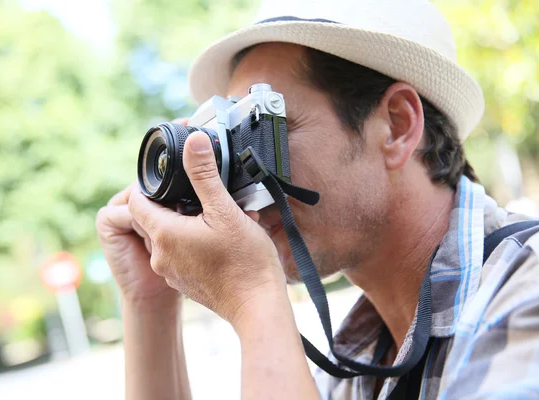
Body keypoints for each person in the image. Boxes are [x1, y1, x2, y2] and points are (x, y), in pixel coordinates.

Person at [96, 0, 539, 398]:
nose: (239, 176)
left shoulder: (526, 293)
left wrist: (253, 297)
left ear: (398, 125)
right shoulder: (356, 367)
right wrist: (148, 302)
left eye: (263, 127)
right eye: (230, 138)